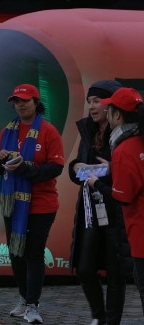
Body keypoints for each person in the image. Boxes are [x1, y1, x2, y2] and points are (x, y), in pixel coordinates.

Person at [0, 83, 64, 324]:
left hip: (41, 204)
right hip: (12, 202)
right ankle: (24, 299)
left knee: (34, 254)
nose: (20, 105)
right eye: (16, 101)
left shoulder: (48, 131)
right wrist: (1, 159)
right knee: (16, 253)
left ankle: (33, 305)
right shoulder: (7, 131)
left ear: (36, 103)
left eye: (25, 100)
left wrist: (25, 169)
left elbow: (56, 167)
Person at [68, 80, 129, 325]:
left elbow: (131, 171)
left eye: (97, 102)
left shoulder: (126, 134)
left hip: (116, 210)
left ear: (111, 105)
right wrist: (77, 167)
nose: (92, 107)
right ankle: (99, 316)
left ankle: (111, 321)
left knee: (115, 273)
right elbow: (75, 172)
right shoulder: (87, 131)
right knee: (84, 267)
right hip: (90, 209)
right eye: (89, 102)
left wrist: (110, 170)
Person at [98, 87, 144, 316]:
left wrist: (96, 183)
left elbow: (122, 196)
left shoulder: (124, 148)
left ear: (118, 115)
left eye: (109, 109)